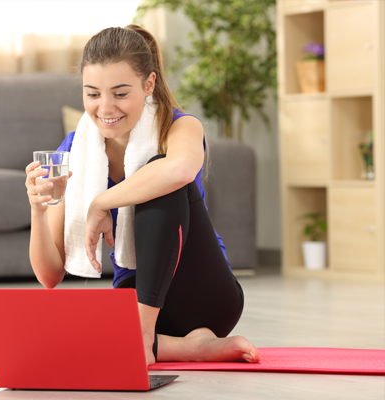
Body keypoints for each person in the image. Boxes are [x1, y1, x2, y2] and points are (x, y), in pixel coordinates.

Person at [25, 25, 260, 367]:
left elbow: (178, 170)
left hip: (205, 292)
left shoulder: (180, 127)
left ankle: (142, 336)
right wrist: (37, 209)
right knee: (54, 331)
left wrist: (102, 201)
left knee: (158, 171)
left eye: (120, 94)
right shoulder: (75, 151)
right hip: (133, 295)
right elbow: (50, 277)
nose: (105, 108)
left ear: (149, 84)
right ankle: (190, 347)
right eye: (92, 94)